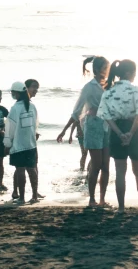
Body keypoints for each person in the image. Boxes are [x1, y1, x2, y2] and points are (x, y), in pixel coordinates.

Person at [58, 56, 111, 207]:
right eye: (106, 68)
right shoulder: (89, 87)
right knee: (96, 164)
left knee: (106, 166)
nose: (108, 71)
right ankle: (92, 199)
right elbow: (77, 111)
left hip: (108, 126)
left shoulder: (110, 85)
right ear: (97, 69)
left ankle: (102, 199)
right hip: (93, 126)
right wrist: (64, 131)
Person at [98, 60, 138, 213]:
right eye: (134, 72)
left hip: (116, 130)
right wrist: (130, 133)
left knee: (120, 172)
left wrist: (119, 133)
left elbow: (105, 115)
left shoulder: (108, 91)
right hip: (134, 130)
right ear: (128, 73)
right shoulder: (136, 90)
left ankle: (121, 208)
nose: (135, 75)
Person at [4, 82, 39, 204]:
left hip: (18, 145)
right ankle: (34, 196)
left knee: (20, 171)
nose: (12, 94)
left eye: (13, 92)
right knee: (32, 169)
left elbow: (10, 128)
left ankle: (22, 197)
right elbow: (35, 124)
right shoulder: (32, 106)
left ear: (17, 93)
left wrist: (7, 144)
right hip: (30, 144)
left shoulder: (15, 108)